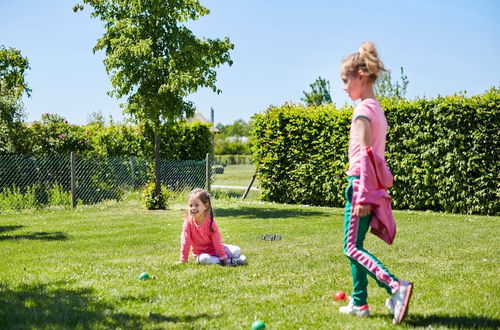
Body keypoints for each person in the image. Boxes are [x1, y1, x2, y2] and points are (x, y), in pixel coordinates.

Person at [338, 41, 413, 324]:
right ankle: (360, 303)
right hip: (368, 185)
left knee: (352, 248)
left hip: (361, 185)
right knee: (354, 244)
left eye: (346, 80)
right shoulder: (376, 109)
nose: (344, 87)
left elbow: (368, 157)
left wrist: (361, 197)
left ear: (362, 76)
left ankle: (396, 287)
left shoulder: (362, 112)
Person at [179, 188, 246, 266]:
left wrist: (223, 257)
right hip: (201, 254)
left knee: (236, 251)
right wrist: (183, 260)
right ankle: (232, 261)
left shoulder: (210, 222)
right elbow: (185, 242)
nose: (193, 208)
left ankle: (228, 260)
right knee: (204, 259)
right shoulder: (188, 223)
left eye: (196, 205)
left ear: (205, 206)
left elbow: (217, 242)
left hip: (215, 250)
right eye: (191, 205)